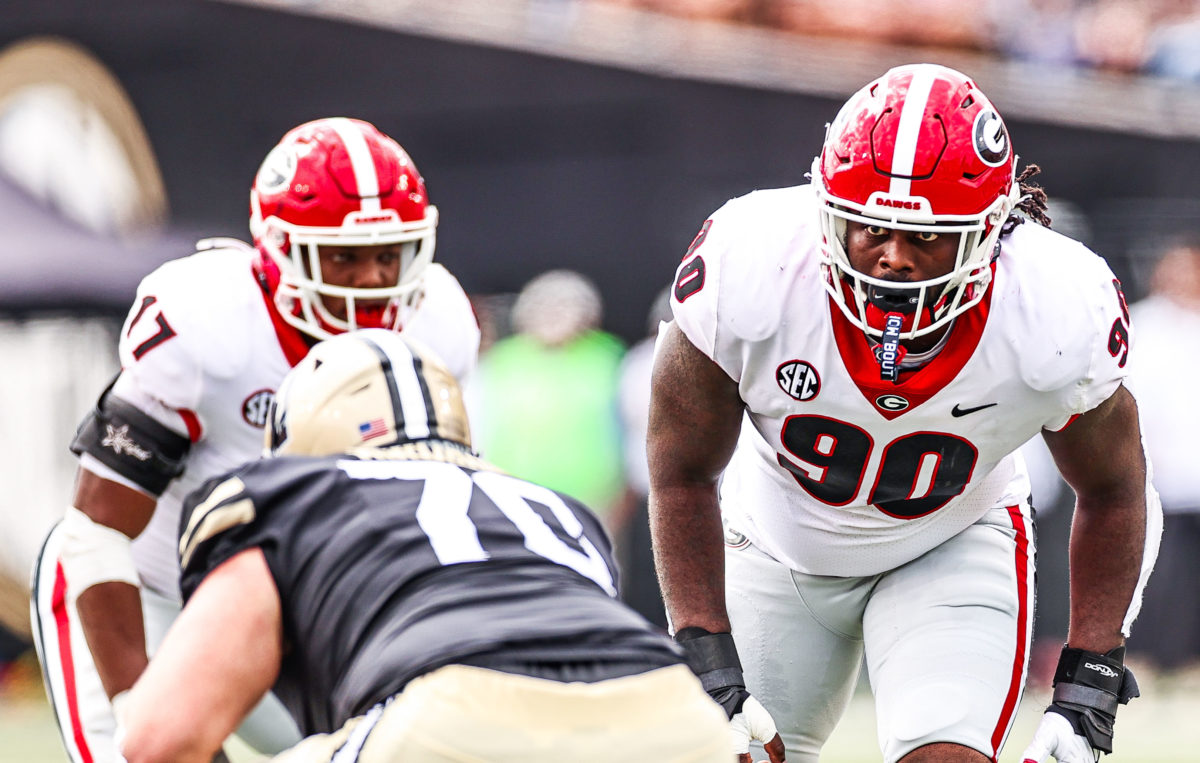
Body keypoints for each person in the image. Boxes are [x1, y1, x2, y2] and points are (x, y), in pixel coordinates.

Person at [648, 63, 1161, 763]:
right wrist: (703, 647)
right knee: (728, 750)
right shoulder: (750, 264)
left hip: (949, 543)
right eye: (870, 229)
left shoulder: (1054, 307)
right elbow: (680, 471)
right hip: (775, 540)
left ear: (990, 230)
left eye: (926, 237)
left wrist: (1089, 678)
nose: (892, 257)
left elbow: (1115, 488)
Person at [30, 117, 481, 763]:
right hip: (143, 593)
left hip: (274, 609)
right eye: (344, 257)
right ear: (276, 249)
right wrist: (144, 707)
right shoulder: (209, 323)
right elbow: (95, 534)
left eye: (390, 254)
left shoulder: (437, 325)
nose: (372, 281)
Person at [116, 329, 729, 763]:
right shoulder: (553, 509)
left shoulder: (285, 494)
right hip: (678, 719)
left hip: (451, 716)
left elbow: (158, 741)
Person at [1124, 235, 1200, 670]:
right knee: (1158, 570)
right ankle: (1150, 657)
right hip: (1162, 473)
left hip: (1194, 470)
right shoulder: (1144, 326)